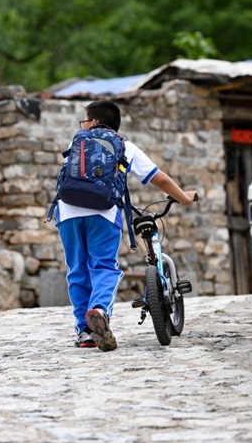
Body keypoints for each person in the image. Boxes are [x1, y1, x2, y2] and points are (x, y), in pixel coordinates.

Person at [56, 100, 197, 351]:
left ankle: (85, 332)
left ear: (95, 122)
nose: (84, 126)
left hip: (67, 211)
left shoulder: (76, 142)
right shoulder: (125, 146)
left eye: (85, 121)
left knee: (77, 270)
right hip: (103, 212)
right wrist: (184, 197)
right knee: (104, 267)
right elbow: (159, 178)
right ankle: (99, 309)